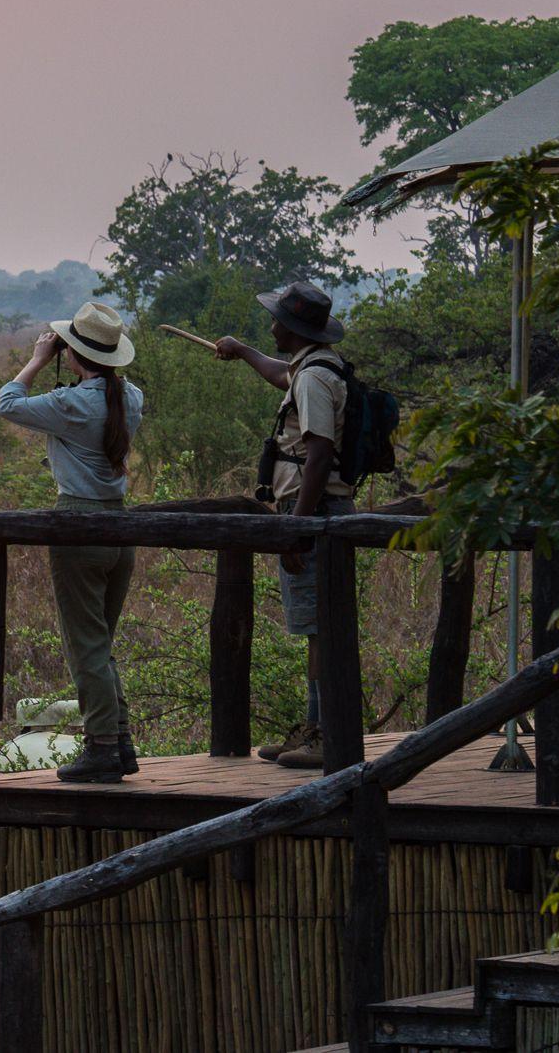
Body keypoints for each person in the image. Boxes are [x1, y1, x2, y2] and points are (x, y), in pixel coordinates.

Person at [0, 300, 146, 783]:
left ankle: (102, 746)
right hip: (120, 529)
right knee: (100, 642)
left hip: (78, 523)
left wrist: (38, 359)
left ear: (74, 353)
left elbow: (8, 404)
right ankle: (119, 741)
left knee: (85, 645)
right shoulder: (131, 397)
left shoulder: (74, 403)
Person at [211, 280, 351, 770]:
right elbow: (279, 375)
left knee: (321, 630)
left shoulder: (312, 379)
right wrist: (244, 351)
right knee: (316, 627)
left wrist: (297, 527)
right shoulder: (312, 369)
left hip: (313, 515)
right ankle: (314, 727)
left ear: (291, 328)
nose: (270, 326)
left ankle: (325, 734)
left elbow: (318, 456)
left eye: (275, 320)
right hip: (311, 515)